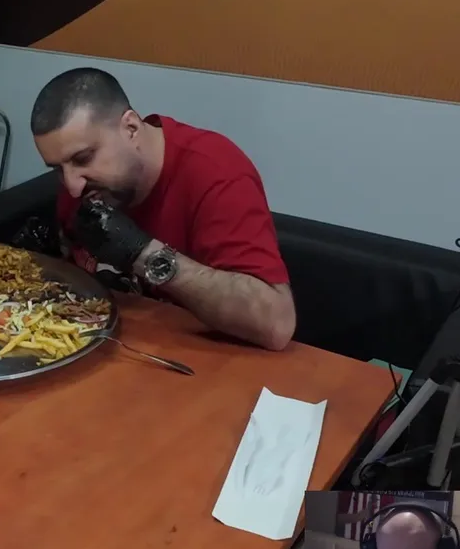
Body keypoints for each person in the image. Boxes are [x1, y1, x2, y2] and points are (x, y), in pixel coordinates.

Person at [27, 67, 296, 350]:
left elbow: (275, 325)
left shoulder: (216, 174)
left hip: (203, 357)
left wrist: (144, 254)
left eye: (83, 158)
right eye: (58, 169)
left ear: (131, 128)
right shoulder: (86, 184)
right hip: (119, 347)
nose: (72, 187)